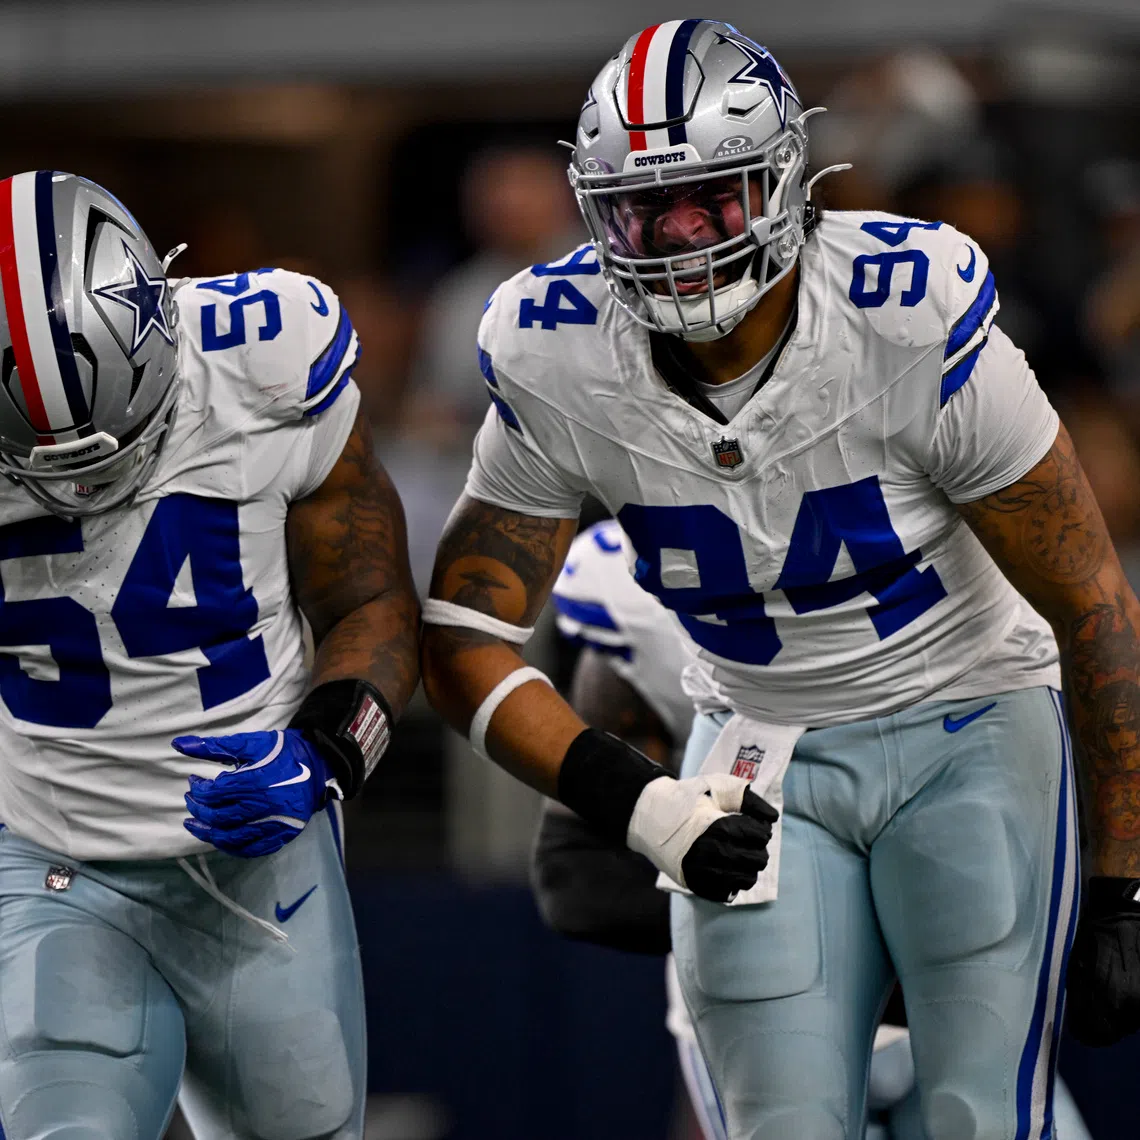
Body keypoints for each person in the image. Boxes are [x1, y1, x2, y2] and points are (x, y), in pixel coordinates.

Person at [420, 18, 1140, 1140]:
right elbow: (463, 632)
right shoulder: (553, 345)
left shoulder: (907, 310)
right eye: (641, 209)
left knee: (979, 1116)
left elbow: (1092, 602)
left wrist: (1123, 880)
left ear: (787, 184)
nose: (677, 240)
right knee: (776, 1123)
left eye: (711, 200)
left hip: (971, 720)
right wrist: (641, 803)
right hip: (758, 746)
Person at [0, 172, 420, 1139]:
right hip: (54, 861)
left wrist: (326, 752)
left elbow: (370, 600)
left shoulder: (264, 360)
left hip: (260, 866)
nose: (85, 471)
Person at [533, 519, 1093, 1140]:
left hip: (960, 1012)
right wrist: (819, 949)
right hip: (771, 1014)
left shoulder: (970, 545)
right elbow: (573, 877)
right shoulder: (642, 588)